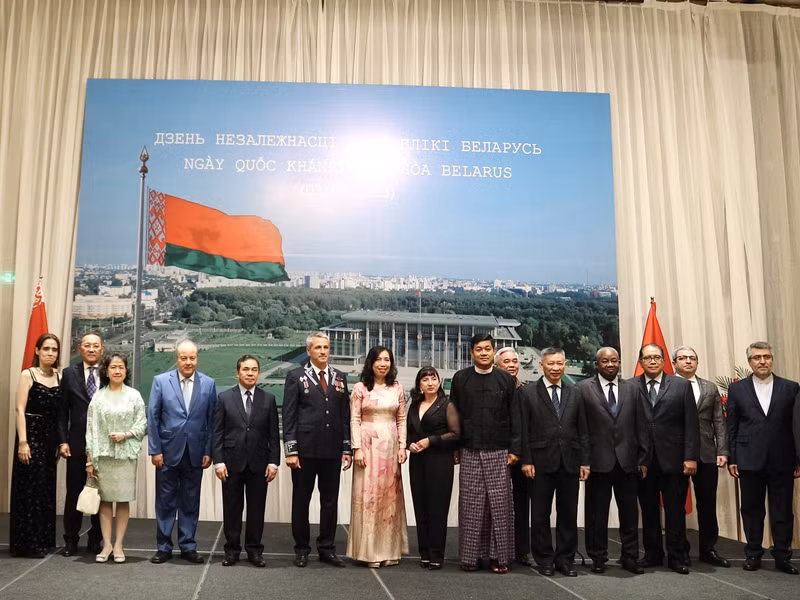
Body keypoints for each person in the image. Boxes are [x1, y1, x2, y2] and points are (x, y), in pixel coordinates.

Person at [727, 341, 800, 575]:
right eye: (757, 357)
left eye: (767, 356)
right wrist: (732, 458)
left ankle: (782, 556)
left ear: (772, 359)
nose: (762, 361)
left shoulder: (791, 387)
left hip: (783, 459)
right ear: (749, 361)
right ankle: (753, 554)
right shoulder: (737, 389)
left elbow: (796, 426)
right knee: (751, 509)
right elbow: (732, 426)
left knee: (782, 510)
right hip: (749, 459)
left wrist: (798, 459)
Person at [450, 333, 520, 574]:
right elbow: (454, 417)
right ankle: (471, 557)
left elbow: (515, 417)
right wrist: (455, 448)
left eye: (487, 349)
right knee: (471, 505)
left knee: (498, 506)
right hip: (469, 449)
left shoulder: (505, 380)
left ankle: (498, 558)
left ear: (493, 352)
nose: (483, 353)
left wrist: (514, 450)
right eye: (478, 349)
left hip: (500, 450)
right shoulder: (460, 379)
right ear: (471, 352)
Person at [283, 332, 352, 568]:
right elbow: (289, 416)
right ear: (309, 351)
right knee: (301, 501)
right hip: (304, 451)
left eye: (326, 347)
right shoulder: (295, 376)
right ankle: (302, 549)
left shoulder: (340, 378)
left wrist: (346, 449)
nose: (323, 351)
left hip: (331, 451)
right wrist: (291, 450)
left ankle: (327, 548)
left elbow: (345, 417)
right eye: (318, 348)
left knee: (330, 501)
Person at [577, 347, 648, 575]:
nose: (610, 364)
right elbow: (581, 430)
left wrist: (643, 458)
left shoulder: (633, 389)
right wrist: (584, 460)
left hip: (628, 462)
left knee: (629, 514)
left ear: (619, 363)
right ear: (597, 364)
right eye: (605, 361)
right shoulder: (583, 389)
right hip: (597, 463)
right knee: (597, 514)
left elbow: (642, 426)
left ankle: (630, 557)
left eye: (614, 361)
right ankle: (598, 557)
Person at [519, 347, 590, 577]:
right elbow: (524, 431)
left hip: (569, 461)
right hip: (539, 463)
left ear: (565, 363)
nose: (556, 368)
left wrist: (585, 462)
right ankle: (545, 559)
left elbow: (583, 430)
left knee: (568, 513)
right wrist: (526, 460)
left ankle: (565, 560)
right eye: (551, 364)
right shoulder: (528, 392)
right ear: (542, 365)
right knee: (539, 514)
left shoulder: (575, 392)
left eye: (560, 363)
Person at [148, 339, 217, 564]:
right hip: (167, 453)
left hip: (196, 453)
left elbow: (212, 421)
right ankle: (164, 547)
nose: (188, 362)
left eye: (192, 358)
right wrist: (155, 450)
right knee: (165, 502)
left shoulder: (208, 384)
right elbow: (153, 417)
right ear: (176, 358)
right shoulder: (160, 381)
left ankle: (188, 546)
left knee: (190, 501)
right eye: (183, 357)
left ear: (197, 358)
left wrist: (209, 450)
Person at [633, 343, 699, 574]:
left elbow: (691, 424)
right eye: (647, 358)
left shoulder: (680, 386)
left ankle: (677, 556)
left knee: (675, 511)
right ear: (640, 362)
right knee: (648, 511)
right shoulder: (630, 386)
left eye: (657, 357)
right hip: (643, 462)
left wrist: (690, 457)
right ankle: (652, 554)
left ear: (664, 361)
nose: (652, 361)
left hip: (675, 460)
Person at [213, 355, 280, 568]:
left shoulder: (268, 399)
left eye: (254, 370)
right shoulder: (224, 398)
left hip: (259, 464)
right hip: (231, 464)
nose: (250, 373)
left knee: (256, 509)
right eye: (246, 369)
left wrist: (274, 462)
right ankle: (232, 550)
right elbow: (217, 433)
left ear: (258, 373)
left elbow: (273, 434)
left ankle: (254, 551)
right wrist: (218, 462)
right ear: (238, 372)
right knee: (232, 508)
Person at [347, 346, 409, 567]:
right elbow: (354, 419)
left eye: (387, 360)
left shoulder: (398, 388)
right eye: (379, 360)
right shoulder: (360, 388)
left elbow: (401, 419)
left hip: (391, 446)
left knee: (389, 498)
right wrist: (357, 448)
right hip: (367, 446)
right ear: (370, 363)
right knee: (368, 497)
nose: (383, 364)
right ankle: (369, 552)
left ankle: (389, 551)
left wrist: (402, 447)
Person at [85, 353, 147, 563]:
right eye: (113, 367)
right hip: (102, 455)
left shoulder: (134, 395)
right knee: (104, 500)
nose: (117, 371)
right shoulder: (98, 397)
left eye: (121, 367)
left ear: (126, 370)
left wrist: (126, 435)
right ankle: (107, 545)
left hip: (125, 455)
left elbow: (142, 423)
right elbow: (91, 429)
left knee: (122, 500)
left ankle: (119, 544)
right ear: (107, 371)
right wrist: (90, 459)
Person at [672, 346, 730, 568]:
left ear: (697, 362)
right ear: (675, 362)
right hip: (676, 454)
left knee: (707, 504)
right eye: (683, 358)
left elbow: (719, 422)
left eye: (692, 358)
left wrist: (723, 451)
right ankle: (680, 551)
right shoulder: (668, 385)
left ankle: (708, 549)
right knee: (676, 505)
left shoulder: (710, 387)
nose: (688, 361)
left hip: (706, 453)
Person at [10, 333, 61, 558]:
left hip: (50, 438)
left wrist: (60, 442)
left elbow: (60, 414)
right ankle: (27, 543)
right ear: (37, 351)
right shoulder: (27, 374)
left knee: (45, 489)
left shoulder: (59, 377)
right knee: (29, 489)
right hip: (30, 435)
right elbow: (19, 409)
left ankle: (44, 539)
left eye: (54, 349)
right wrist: (23, 441)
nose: (51, 353)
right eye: (47, 348)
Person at [408, 366, 460, 570]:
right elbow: (409, 431)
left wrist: (431, 441)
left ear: (439, 382)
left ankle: (437, 554)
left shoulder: (447, 405)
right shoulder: (414, 405)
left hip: (440, 461)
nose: (430, 382)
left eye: (433, 378)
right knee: (420, 508)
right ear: (419, 384)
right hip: (417, 461)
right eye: (425, 379)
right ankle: (425, 553)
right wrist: (409, 444)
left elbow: (456, 434)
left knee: (437, 509)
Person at [58, 331, 104, 556]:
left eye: (96, 345)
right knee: (74, 492)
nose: (92, 349)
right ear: (80, 349)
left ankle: (96, 539)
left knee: (100, 492)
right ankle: (71, 540)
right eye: (88, 345)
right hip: (76, 443)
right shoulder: (69, 374)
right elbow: (61, 412)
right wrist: (62, 441)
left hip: (103, 445)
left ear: (102, 349)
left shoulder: (109, 373)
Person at [495, 347, 533, 567]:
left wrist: (524, 455)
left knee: (521, 505)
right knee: (497, 506)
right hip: (497, 454)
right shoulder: (492, 389)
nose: (511, 365)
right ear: (498, 366)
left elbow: (529, 427)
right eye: (506, 362)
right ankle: (499, 550)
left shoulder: (527, 391)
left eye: (514, 361)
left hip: (522, 457)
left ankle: (522, 550)